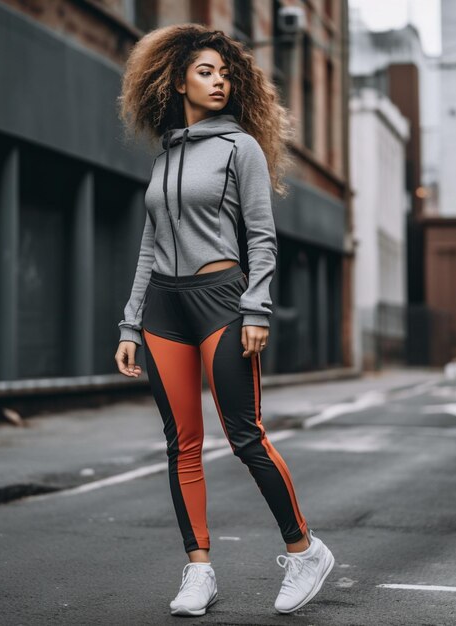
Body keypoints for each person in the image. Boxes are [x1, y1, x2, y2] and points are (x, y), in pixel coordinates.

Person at [114, 23, 334, 617]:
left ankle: (305, 548)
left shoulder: (241, 148)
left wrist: (255, 306)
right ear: (178, 78)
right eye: (206, 71)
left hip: (221, 300)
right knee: (181, 443)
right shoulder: (166, 154)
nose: (219, 81)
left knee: (244, 435)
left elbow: (262, 238)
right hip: (164, 305)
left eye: (225, 72)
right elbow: (148, 246)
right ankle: (199, 570)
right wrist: (130, 324)